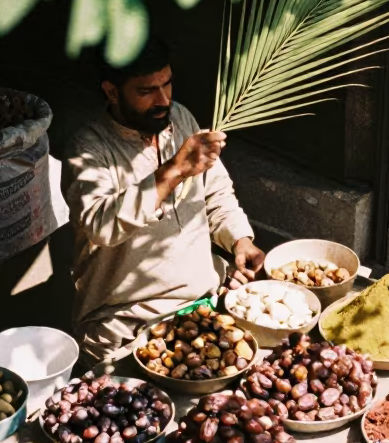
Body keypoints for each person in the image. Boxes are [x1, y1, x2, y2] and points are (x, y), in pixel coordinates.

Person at [63, 37, 265, 362]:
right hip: (125, 324)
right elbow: (101, 226)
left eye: (167, 84)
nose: (163, 100)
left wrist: (239, 240)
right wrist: (174, 170)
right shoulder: (87, 151)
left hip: (203, 303)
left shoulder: (180, 119)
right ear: (112, 92)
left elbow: (215, 191)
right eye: (146, 91)